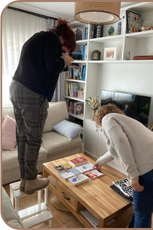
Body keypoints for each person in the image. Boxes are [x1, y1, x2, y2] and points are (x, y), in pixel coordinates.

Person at [9, 18, 75, 194]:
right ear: (63, 38)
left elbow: (45, 66)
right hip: (32, 92)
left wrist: (63, 61)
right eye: (67, 48)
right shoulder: (52, 39)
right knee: (34, 139)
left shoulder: (38, 37)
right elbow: (53, 66)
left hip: (17, 88)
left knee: (23, 137)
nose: (66, 51)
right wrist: (65, 60)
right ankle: (30, 180)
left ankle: (25, 178)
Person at [93, 104, 153, 228]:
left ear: (99, 117)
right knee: (145, 210)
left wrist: (133, 174)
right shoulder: (128, 121)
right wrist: (100, 161)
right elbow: (115, 149)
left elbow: (120, 142)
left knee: (142, 213)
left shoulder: (107, 119)